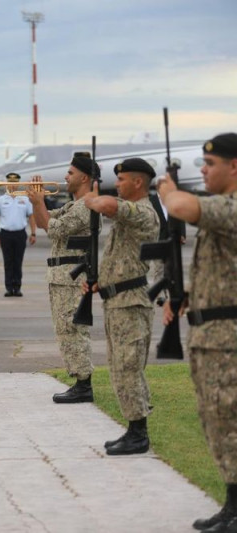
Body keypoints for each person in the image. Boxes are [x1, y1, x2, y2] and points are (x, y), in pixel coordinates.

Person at [158, 133, 237, 532]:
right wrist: (186, 296)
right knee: (220, 424)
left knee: (232, 424)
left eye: (210, 164)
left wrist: (168, 189)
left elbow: (182, 206)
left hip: (230, 342)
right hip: (213, 337)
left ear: (234, 166)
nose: (203, 171)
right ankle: (233, 506)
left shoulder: (231, 207)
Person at [82, 157, 159, 456]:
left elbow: (111, 207)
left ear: (138, 182)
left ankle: (139, 433)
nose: (118, 184)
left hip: (131, 303)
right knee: (119, 367)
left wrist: (92, 198)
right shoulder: (131, 215)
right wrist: (100, 281)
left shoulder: (143, 212)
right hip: (116, 300)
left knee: (128, 366)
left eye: (123, 179)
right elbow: (123, 257)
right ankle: (133, 427)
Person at [27, 155, 97, 403]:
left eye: (70, 173)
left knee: (73, 329)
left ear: (84, 177)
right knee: (64, 330)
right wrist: (37, 202)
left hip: (71, 278)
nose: (66, 177)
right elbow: (44, 217)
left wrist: (39, 201)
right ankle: (79, 380)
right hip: (62, 277)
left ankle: (84, 384)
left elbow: (52, 228)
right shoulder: (73, 205)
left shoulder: (86, 207)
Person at [0, 172, 37, 297]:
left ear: (18, 185)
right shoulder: (0, 200)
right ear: (6, 184)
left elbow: (31, 216)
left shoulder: (25, 199)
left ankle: (17, 287)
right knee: (8, 262)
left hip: (20, 234)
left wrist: (33, 233)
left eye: (14, 183)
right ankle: (8, 287)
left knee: (18, 261)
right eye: (10, 183)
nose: (12, 186)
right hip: (5, 234)